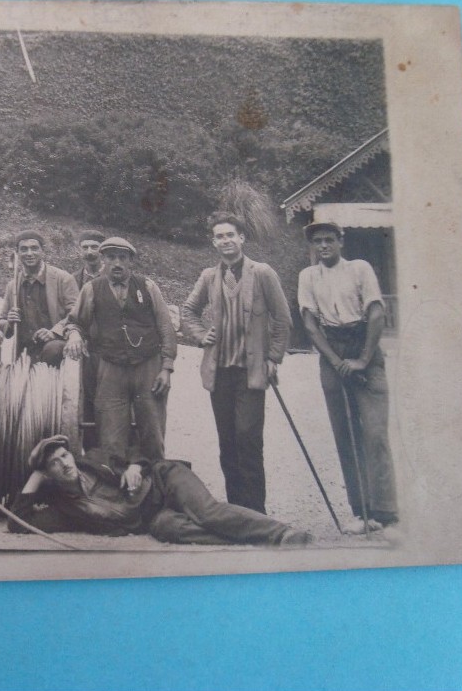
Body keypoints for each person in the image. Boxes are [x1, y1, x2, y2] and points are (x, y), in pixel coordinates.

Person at [8, 435, 311, 546]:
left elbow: (140, 451)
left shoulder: (95, 460)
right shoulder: (65, 510)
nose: (64, 463)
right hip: (153, 516)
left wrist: (134, 467)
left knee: (207, 512)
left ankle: (280, 533)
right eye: (54, 464)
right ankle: (244, 537)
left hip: (165, 481)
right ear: (47, 474)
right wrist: (34, 475)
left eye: (64, 455)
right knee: (172, 530)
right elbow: (18, 522)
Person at [180, 212, 291, 515]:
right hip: (220, 373)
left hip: (251, 372)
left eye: (231, 235)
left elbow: (282, 319)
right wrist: (202, 335)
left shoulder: (263, 273)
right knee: (227, 444)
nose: (225, 241)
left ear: (242, 238)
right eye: (219, 236)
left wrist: (274, 357)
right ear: (213, 242)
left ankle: (256, 514)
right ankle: (237, 513)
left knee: (248, 441)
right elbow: (188, 311)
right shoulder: (208, 277)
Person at [298, 221, 398, 532]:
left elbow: (377, 313)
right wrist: (337, 361)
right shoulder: (308, 276)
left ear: (341, 241)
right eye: (318, 242)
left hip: (363, 343)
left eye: (329, 239)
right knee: (345, 434)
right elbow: (311, 323)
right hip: (332, 350)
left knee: (375, 433)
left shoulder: (359, 268)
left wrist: (363, 359)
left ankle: (386, 512)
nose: (323, 246)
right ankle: (362, 513)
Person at [64, 236, 177, 461]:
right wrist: (75, 334)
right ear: (103, 259)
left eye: (122, 258)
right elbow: (75, 321)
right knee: (111, 437)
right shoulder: (91, 289)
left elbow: (166, 327)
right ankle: (113, 489)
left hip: (148, 367)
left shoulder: (147, 286)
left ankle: (153, 485)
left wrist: (166, 368)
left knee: (152, 434)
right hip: (110, 369)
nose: (117, 263)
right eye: (111, 257)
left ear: (130, 261)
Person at [0, 230, 79, 366]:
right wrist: (9, 323)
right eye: (24, 249)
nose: (29, 254)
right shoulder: (13, 285)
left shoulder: (63, 279)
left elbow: (76, 315)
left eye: (34, 248)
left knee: (52, 350)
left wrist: (55, 332)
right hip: (24, 353)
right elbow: (1, 323)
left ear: (43, 251)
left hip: (54, 352)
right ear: (17, 252)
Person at [71, 229, 106, 448]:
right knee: (83, 401)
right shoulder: (73, 280)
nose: (89, 252)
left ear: (102, 251)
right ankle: (90, 450)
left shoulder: (111, 277)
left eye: (94, 247)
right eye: (85, 247)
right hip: (81, 349)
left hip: (105, 349)